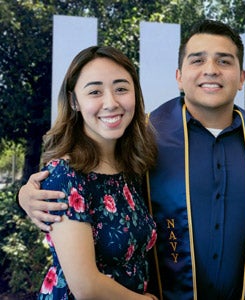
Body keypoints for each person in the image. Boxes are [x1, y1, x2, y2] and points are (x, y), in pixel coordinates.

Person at [19, 20, 245, 299]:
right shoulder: (146, 136)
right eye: (198, 60)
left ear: (241, 78)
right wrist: (26, 196)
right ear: (179, 76)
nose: (211, 70)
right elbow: (78, 177)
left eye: (224, 61)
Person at [33, 46, 159, 299]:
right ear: (74, 101)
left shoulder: (131, 169)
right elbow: (86, 287)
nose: (111, 103)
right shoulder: (65, 175)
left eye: (121, 89)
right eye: (95, 92)